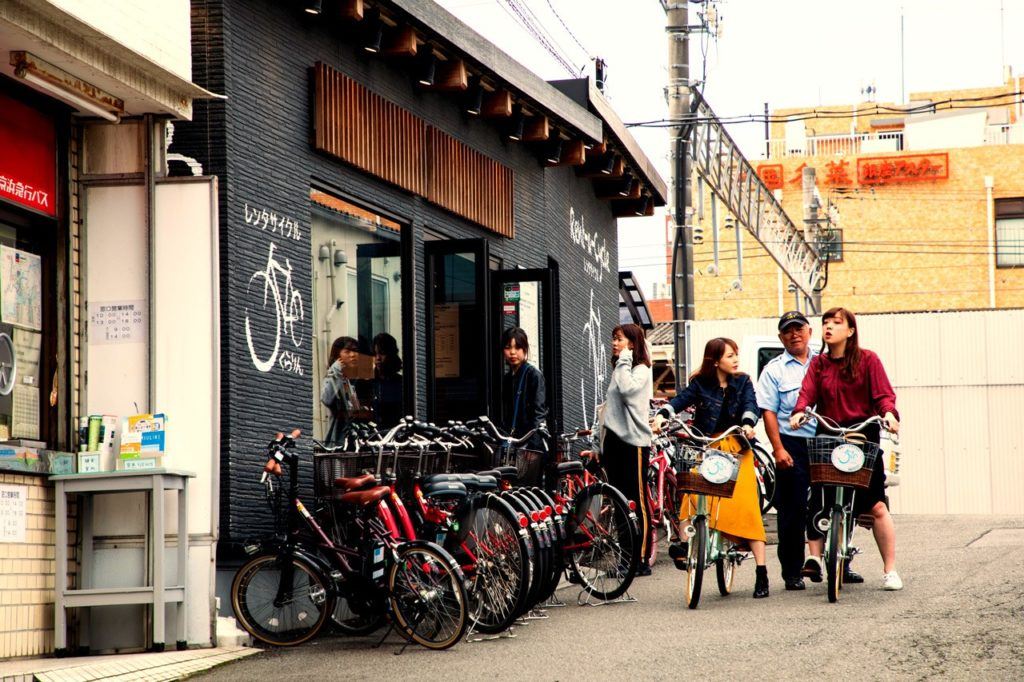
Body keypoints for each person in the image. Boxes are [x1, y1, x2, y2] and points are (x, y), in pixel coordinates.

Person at [790, 307, 903, 591]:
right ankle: (814, 557)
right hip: (828, 432)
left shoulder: (868, 360)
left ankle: (890, 570)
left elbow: (883, 395)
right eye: (825, 322)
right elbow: (807, 393)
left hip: (861, 435)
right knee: (817, 497)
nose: (828, 327)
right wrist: (800, 411)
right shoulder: (818, 364)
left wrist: (889, 414)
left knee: (875, 504)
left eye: (836, 323)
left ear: (850, 331)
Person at [655, 337, 769, 598]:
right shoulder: (700, 384)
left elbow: (751, 406)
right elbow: (679, 401)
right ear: (715, 360)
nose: (735, 360)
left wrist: (749, 423)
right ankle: (685, 546)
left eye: (736, 354)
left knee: (746, 507)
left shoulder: (743, 382)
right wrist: (663, 415)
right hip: (707, 447)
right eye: (730, 356)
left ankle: (761, 573)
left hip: (737, 448)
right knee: (691, 494)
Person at [755, 311, 822, 592]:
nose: (794, 334)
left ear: (809, 331)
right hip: (791, 443)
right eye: (788, 331)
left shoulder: (825, 361)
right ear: (781, 337)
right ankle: (792, 572)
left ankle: (838, 561)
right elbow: (769, 412)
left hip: (825, 440)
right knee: (792, 510)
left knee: (833, 502)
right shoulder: (774, 369)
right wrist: (778, 448)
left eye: (799, 329)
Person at [584, 324, 654, 576]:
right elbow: (606, 410)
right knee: (620, 504)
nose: (614, 343)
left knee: (637, 502)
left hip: (634, 443)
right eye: (613, 339)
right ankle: (626, 558)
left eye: (619, 339)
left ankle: (641, 559)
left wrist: (624, 358)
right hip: (613, 443)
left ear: (632, 344)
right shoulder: (620, 370)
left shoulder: (641, 370)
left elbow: (628, 391)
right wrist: (596, 445)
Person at [499, 327, 548, 452]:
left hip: (529, 446)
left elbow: (539, 415)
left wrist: (533, 447)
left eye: (517, 348)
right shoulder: (507, 379)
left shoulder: (534, 375)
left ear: (525, 349)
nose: (512, 352)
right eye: (508, 347)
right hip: (512, 443)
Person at [321, 336, 363, 445]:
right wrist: (336, 369)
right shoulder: (333, 375)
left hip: (360, 438)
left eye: (355, 351)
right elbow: (326, 399)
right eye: (348, 351)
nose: (353, 355)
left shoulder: (360, 377)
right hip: (339, 440)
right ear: (338, 355)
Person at [371, 332, 403, 428]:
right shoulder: (368, 382)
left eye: (382, 353)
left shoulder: (401, 383)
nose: (378, 358)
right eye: (375, 354)